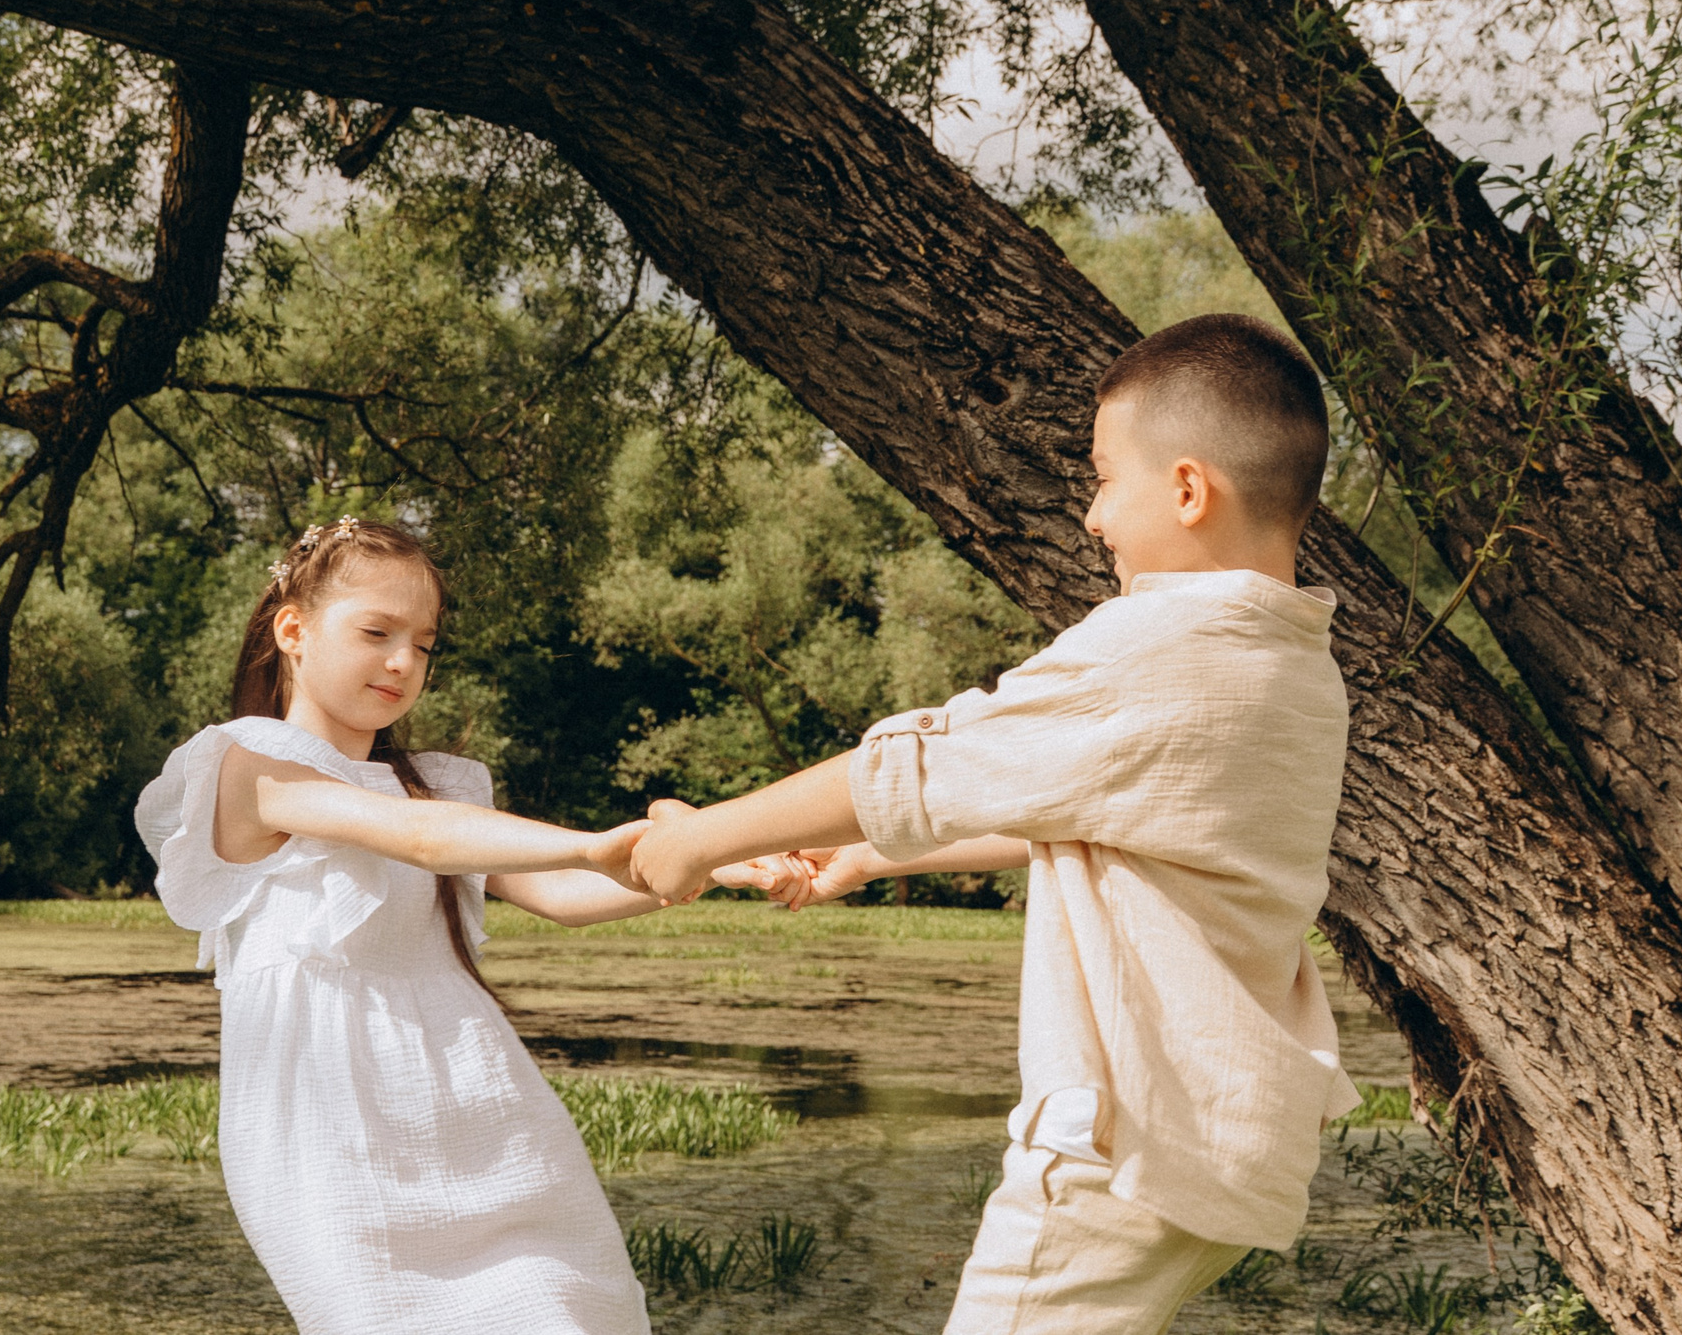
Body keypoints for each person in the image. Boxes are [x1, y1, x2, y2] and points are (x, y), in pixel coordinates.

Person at [633, 313, 1358, 1335]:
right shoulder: (1293, 668)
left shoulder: (1156, 645)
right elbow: (1097, 817)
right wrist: (864, 861)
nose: (1095, 517)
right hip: (1221, 1141)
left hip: (1121, 1140)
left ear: (1189, 490)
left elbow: (919, 764)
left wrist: (701, 837)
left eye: (1106, 479)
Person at [137, 516, 673, 1335]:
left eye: (422, 644)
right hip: (332, 1135)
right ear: (294, 630)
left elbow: (562, 893)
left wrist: (716, 864)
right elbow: (422, 839)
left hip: (480, 1113)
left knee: (562, 1313)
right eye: (377, 631)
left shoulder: (426, 785)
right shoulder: (253, 765)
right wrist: (600, 842)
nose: (402, 662)